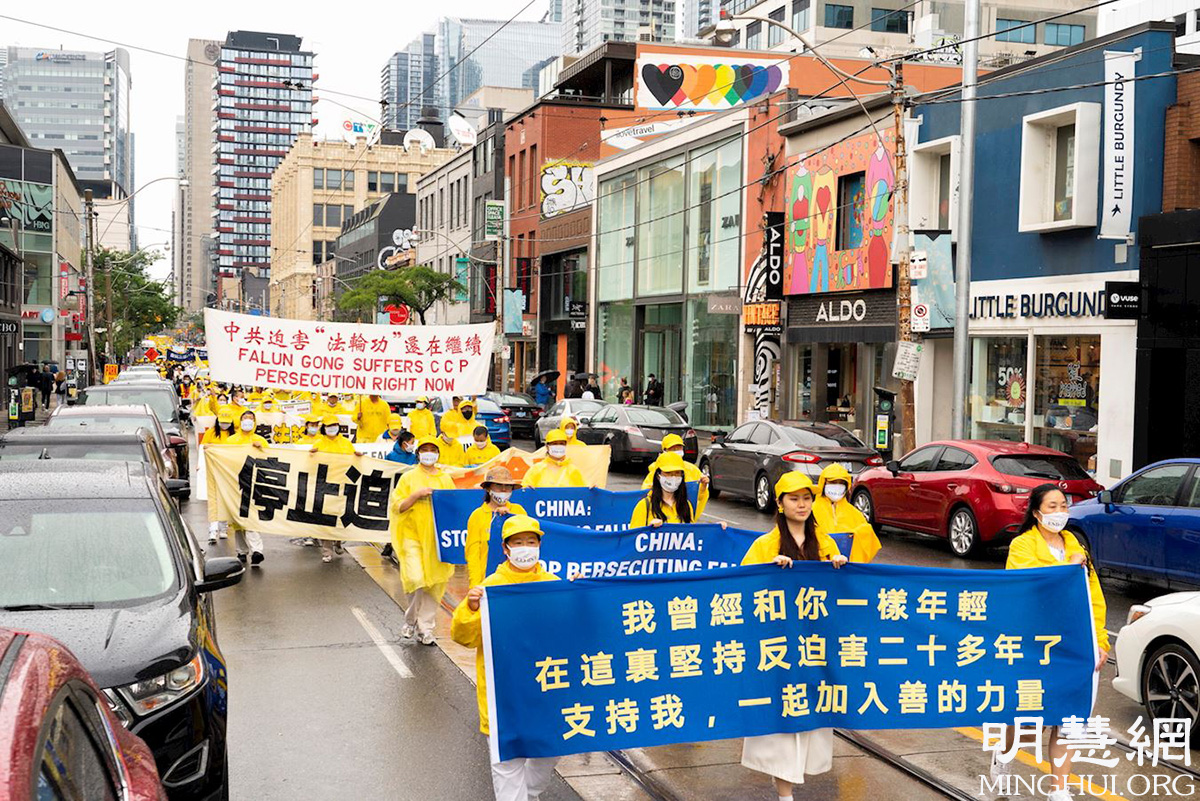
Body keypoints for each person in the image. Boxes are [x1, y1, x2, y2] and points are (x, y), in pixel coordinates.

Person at [991, 483, 1109, 801]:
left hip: (1073, 645)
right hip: (1034, 645)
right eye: (1052, 506)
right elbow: (1029, 586)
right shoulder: (1022, 546)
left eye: (1063, 506)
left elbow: (1094, 600)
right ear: (1036, 512)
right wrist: (1067, 567)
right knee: (1029, 723)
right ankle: (1004, 754)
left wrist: (1100, 642)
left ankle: (1059, 789)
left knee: (1067, 718)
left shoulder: (1076, 546)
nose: (1060, 512)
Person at [740, 472, 847, 800]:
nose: (801, 505)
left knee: (811, 715)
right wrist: (768, 571)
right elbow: (741, 588)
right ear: (780, 503)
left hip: (814, 648)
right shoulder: (765, 545)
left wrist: (840, 566)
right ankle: (785, 794)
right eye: (793, 498)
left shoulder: (825, 543)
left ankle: (785, 786)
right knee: (784, 719)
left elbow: (840, 595)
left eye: (806, 498)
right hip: (778, 647)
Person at [451, 515, 560, 800]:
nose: (526, 548)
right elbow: (463, 637)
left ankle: (530, 794)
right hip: (503, 696)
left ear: (539, 546)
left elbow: (574, 630)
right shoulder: (490, 588)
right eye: (518, 542)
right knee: (508, 764)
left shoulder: (554, 584)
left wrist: (579, 595)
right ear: (506, 548)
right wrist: (471, 608)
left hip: (546, 690)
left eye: (531, 542)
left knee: (548, 754)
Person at [391, 436, 456, 645]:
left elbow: (454, 507)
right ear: (418, 453)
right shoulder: (408, 478)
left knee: (435, 584)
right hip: (412, 537)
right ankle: (410, 620)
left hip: (437, 540)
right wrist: (416, 495)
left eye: (433, 450)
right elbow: (398, 506)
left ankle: (425, 628)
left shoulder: (445, 479)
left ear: (438, 453)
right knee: (415, 578)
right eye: (425, 449)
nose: (429, 454)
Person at [465, 467, 526, 588]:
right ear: (488, 488)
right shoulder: (477, 515)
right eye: (498, 485)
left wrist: (509, 516)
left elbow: (526, 540)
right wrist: (475, 585)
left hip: (516, 580)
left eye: (508, 486)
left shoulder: (518, 510)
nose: (503, 489)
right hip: (488, 580)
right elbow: (473, 556)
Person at [310, 413, 359, 563]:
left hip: (343, 485)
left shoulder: (346, 443)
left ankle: (337, 541)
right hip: (325, 485)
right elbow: (311, 464)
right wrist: (311, 455)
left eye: (334, 425)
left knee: (340, 517)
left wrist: (358, 457)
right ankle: (327, 551)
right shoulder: (319, 443)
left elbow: (353, 463)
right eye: (329, 425)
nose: (332, 428)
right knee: (326, 519)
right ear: (324, 428)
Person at [811, 464, 882, 563]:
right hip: (820, 565)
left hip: (847, 565)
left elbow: (869, 540)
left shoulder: (854, 513)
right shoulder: (811, 510)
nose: (837, 486)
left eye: (841, 483)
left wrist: (857, 535)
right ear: (823, 483)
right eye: (833, 482)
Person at [226, 409, 269, 565]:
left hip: (254, 483)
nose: (248, 421)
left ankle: (257, 550)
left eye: (251, 418)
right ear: (240, 420)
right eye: (245, 418)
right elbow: (223, 457)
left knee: (251, 517)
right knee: (237, 519)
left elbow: (270, 459)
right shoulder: (231, 440)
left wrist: (261, 448)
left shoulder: (260, 440)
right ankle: (241, 551)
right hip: (234, 483)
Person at [641, 434, 709, 515]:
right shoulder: (657, 469)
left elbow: (699, 497)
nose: (677, 451)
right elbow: (645, 493)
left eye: (679, 448)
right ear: (665, 451)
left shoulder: (692, 469)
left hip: (682, 514)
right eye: (673, 448)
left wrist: (703, 486)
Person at [630, 452, 694, 527]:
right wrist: (649, 528)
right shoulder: (644, 506)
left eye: (677, 473)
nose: (673, 477)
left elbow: (693, 532)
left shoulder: (686, 505)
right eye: (668, 473)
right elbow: (634, 534)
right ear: (658, 475)